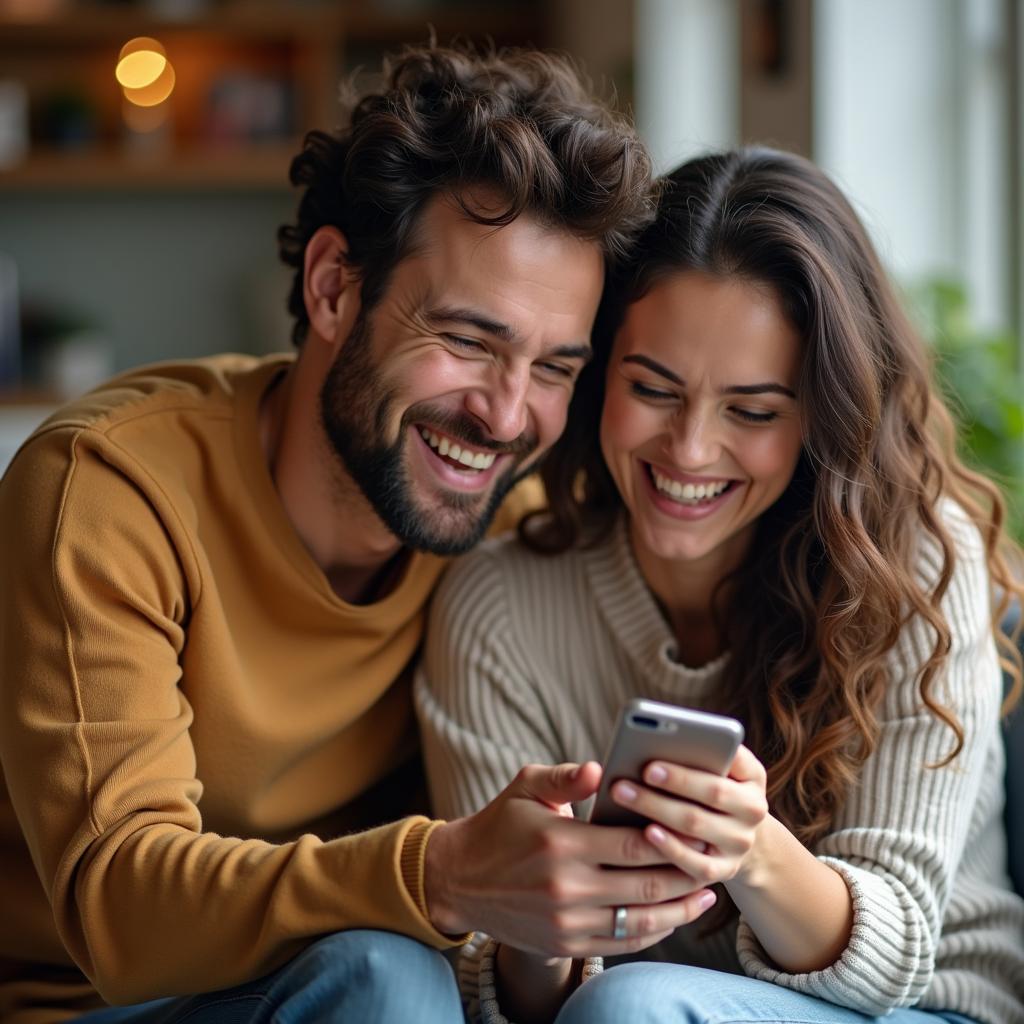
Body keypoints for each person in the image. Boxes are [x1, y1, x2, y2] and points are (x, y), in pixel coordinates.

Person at [0, 43, 706, 1024]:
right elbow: (120, 910)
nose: (507, 417)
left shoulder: (513, 523)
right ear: (333, 287)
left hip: (346, 991)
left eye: (554, 368)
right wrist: (440, 872)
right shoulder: (112, 490)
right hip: (86, 1006)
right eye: (468, 339)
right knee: (386, 974)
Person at [417, 147, 1024, 1024]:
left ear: (823, 417)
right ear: (594, 377)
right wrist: (532, 917)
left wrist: (750, 852)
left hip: (927, 1006)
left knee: (635, 1009)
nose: (690, 451)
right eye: (652, 388)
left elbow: (892, 956)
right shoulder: (499, 609)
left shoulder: (915, 571)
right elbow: (499, 1000)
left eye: (752, 411)